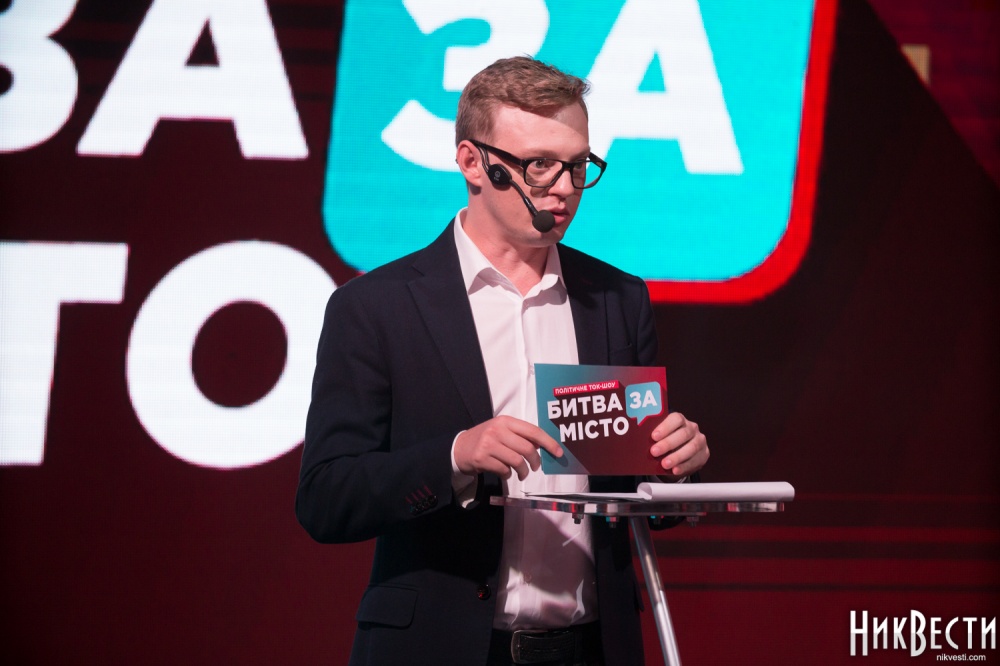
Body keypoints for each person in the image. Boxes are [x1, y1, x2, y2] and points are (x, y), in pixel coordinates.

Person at [296, 56, 709, 666]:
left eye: (578, 165)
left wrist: (675, 470)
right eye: (539, 165)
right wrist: (454, 456)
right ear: (472, 162)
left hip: (591, 649)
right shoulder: (377, 307)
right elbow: (327, 498)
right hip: (439, 649)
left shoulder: (617, 300)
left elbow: (635, 493)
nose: (564, 188)